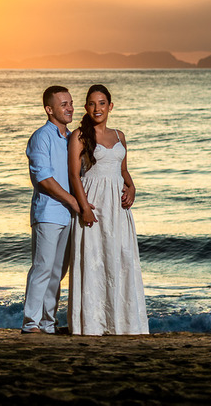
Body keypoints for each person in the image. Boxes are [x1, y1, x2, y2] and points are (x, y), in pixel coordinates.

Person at [67, 83, 148, 335]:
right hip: (94, 204)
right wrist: (84, 207)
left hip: (118, 209)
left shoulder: (119, 135)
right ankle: (93, 324)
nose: (97, 108)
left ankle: (121, 323)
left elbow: (122, 170)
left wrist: (132, 187)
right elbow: (73, 176)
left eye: (102, 103)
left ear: (110, 106)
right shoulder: (79, 136)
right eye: (92, 103)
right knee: (94, 259)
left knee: (120, 258)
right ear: (86, 107)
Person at [21, 85, 88, 334]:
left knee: (58, 271)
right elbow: (44, 179)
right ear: (49, 109)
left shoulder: (72, 138)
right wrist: (73, 201)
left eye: (71, 103)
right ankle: (31, 323)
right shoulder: (42, 137)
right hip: (49, 212)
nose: (70, 108)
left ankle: (48, 323)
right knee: (42, 267)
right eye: (63, 104)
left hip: (69, 215)